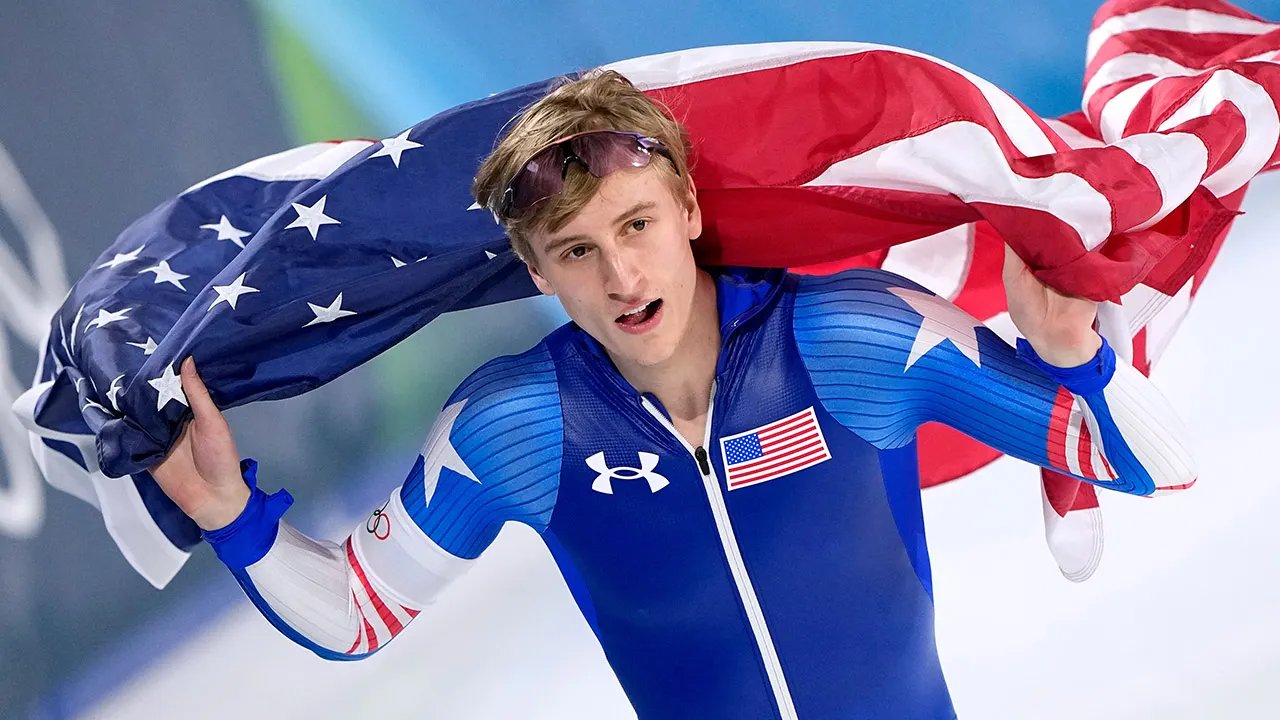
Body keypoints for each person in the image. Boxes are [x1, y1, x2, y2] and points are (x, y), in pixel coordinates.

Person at [150, 70, 1197, 719]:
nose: (620, 276)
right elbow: (357, 612)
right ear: (536, 271)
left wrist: (1076, 361)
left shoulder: (853, 339)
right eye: (576, 250)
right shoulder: (516, 426)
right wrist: (232, 519)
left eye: (636, 225)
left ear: (687, 208)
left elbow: (1153, 464)